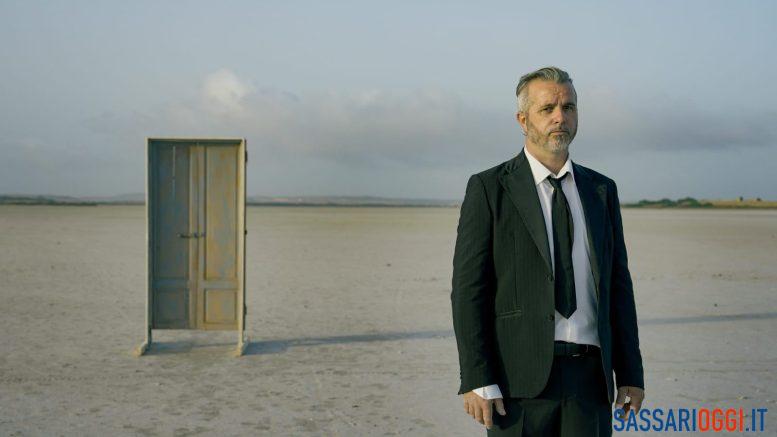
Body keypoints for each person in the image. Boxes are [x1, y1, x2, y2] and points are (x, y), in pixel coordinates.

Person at [450, 66, 645, 436]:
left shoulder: (601, 190)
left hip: (591, 381)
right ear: (523, 120)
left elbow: (619, 286)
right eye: (547, 109)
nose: (560, 117)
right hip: (515, 384)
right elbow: (468, 290)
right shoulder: (490, 188)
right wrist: (476, 377)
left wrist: (630, 373)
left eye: (568, 107)